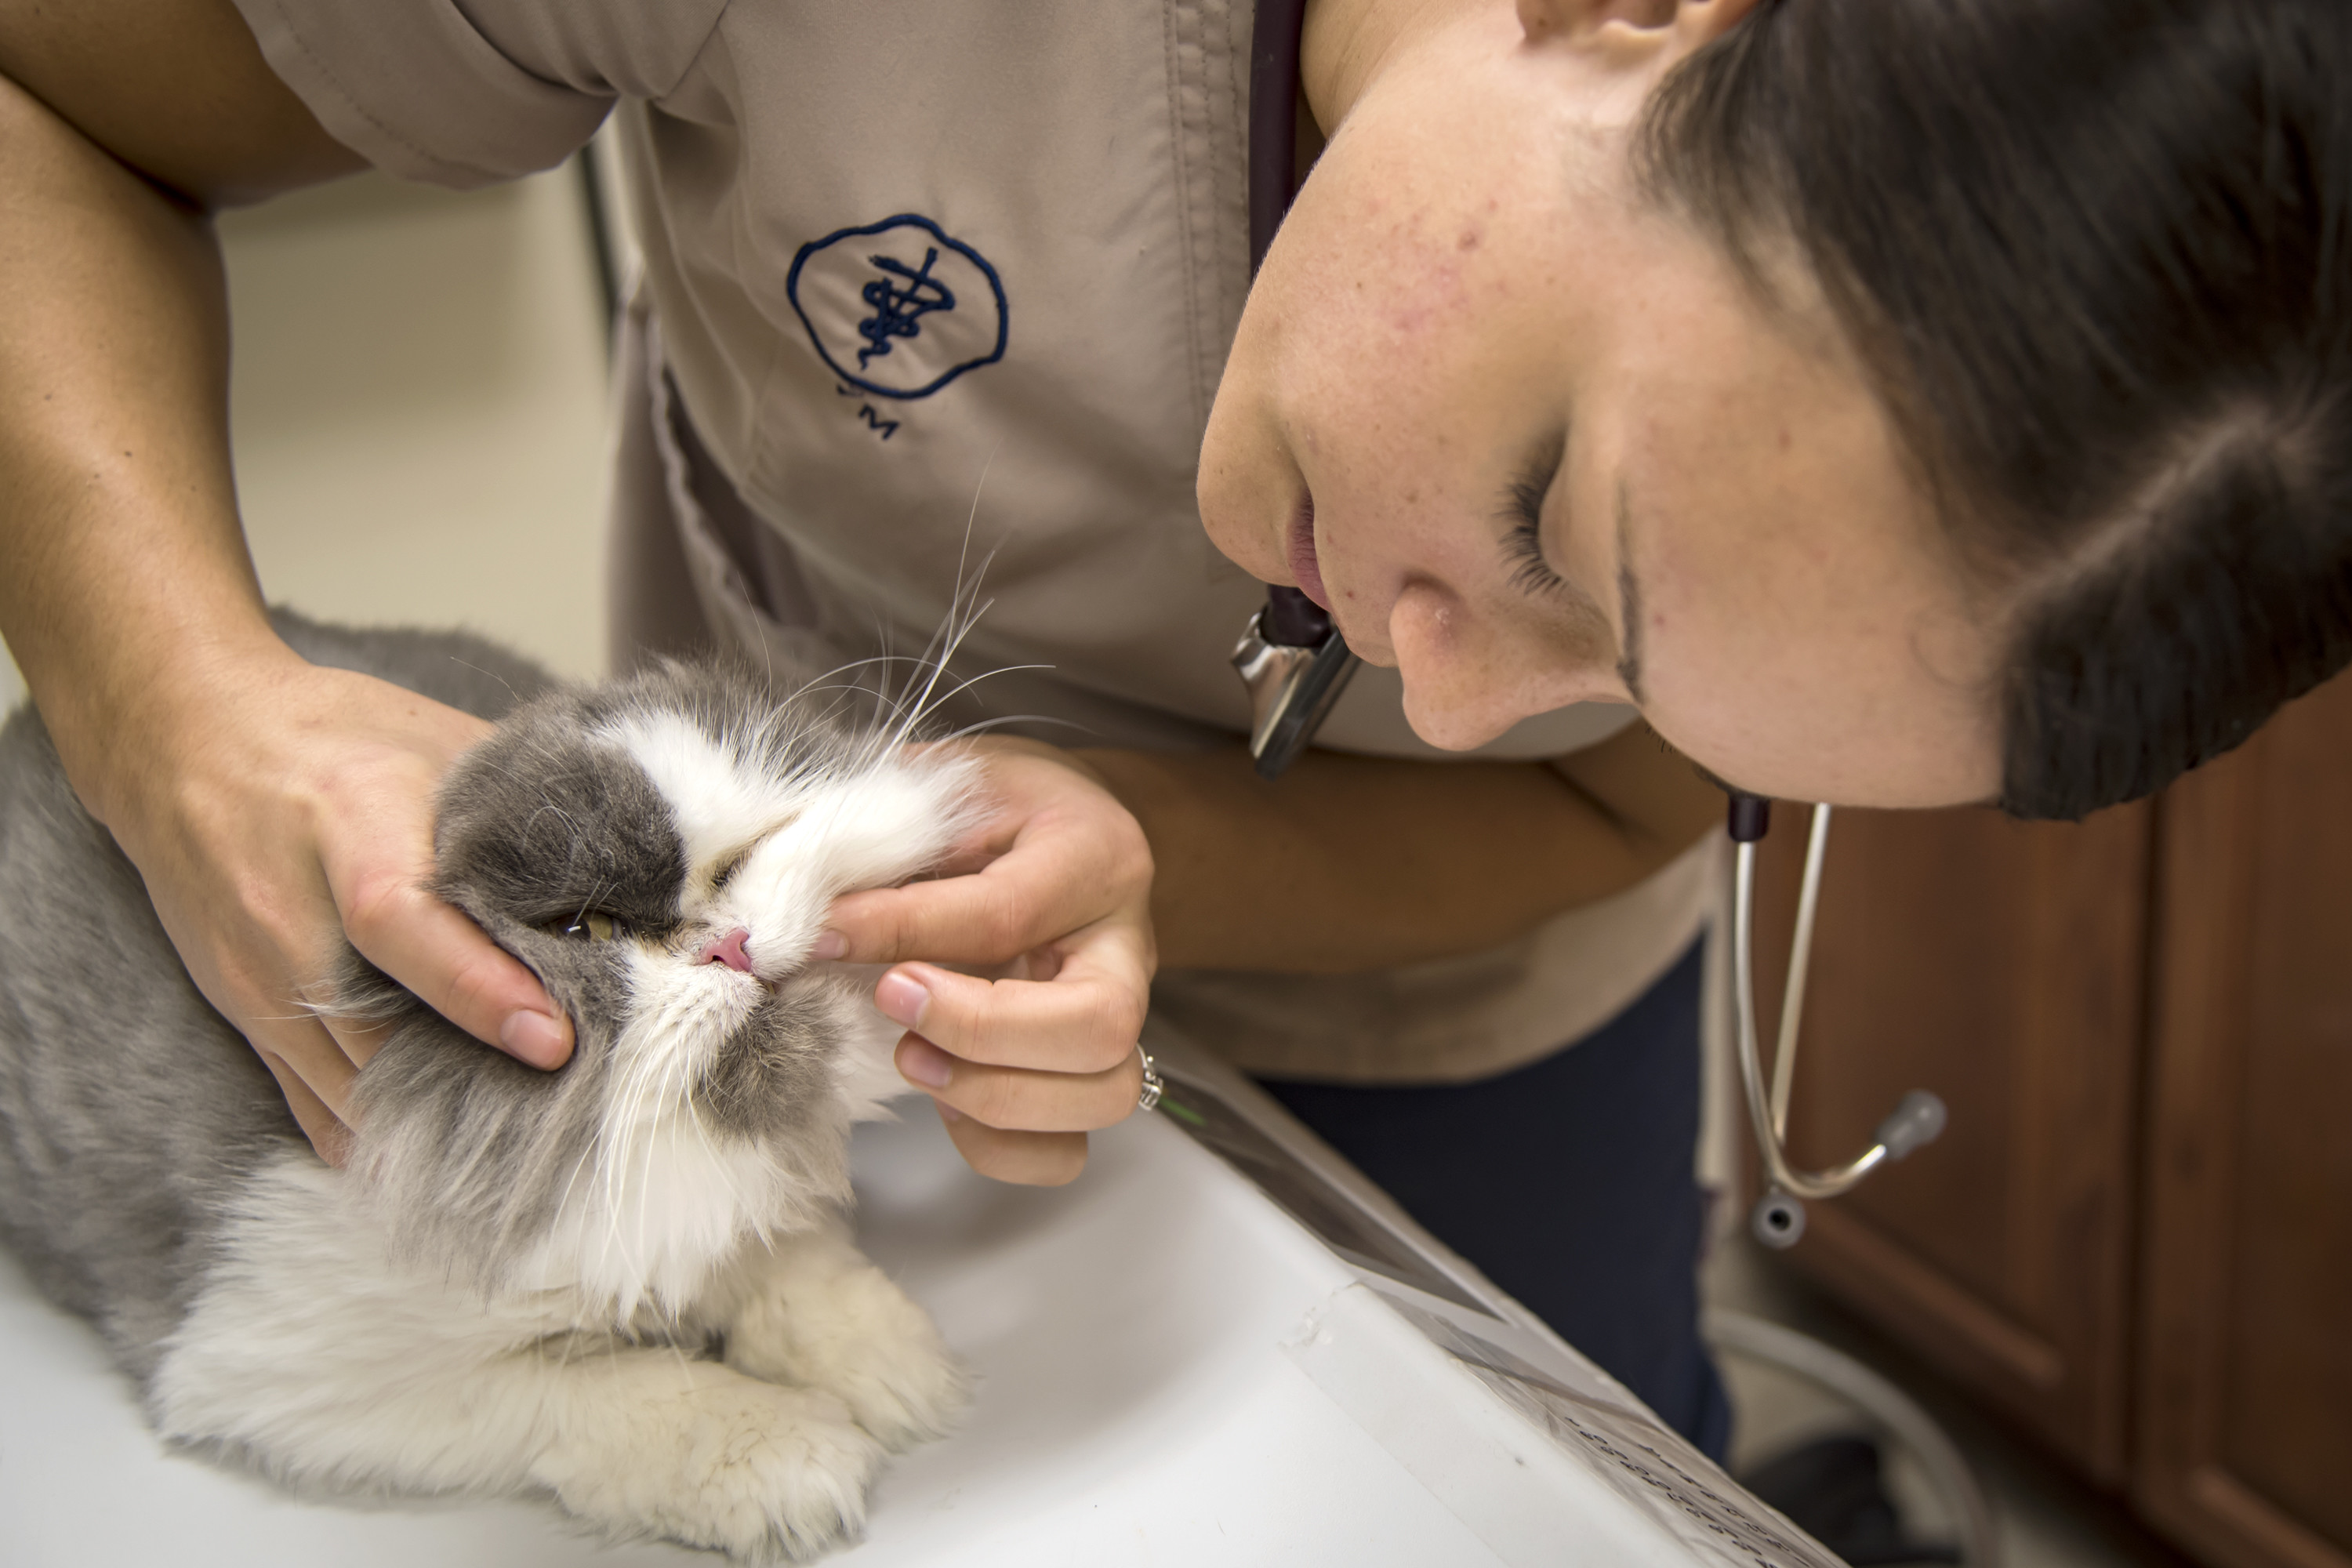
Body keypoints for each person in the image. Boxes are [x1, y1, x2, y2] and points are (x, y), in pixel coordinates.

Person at [1, 0, 2342, 1464]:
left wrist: (1162, 845)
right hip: (752, 1026)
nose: (1449, 700)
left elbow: (1613, 804)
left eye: (1650, 667)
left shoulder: (1575, 698)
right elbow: (54, 98)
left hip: (1487, 1028)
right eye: (1551, 510)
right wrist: (176, 691)